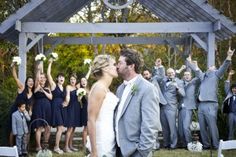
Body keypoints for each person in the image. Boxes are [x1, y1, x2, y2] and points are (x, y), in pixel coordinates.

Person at [186, 47, 234, 149]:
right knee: (202, 127)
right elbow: (196, 69)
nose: (210, 67)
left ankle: (216, 145)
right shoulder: (203, 76)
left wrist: (229, 56)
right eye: (209, 66)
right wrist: (189, 61)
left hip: (211, 104)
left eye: (212, 66)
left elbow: (224, 67)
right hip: (201, 105)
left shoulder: (216, 75)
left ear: (215, 69)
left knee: (212, 126)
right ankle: (207, 145)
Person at [115, 49, 160, 157]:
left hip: (136, 151)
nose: (117, 66)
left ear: (131, 66)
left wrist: (142, 151)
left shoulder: (148, 88)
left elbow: (151, 124)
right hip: (119, 150)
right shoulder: (120, 89)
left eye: (120, 63)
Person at [87, 54, 119, 157]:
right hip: (101, 139)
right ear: (105, 68)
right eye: (114, 64)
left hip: (108, 136)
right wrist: (94, 152)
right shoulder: (99, 88)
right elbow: (91, 120)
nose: (117, 67)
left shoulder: (105, 88)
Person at [154, 60, 185, 149]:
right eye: (168, 73)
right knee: (164, 128)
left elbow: (183, 94)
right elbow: (156, 77)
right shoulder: (163, 80)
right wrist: (157, 67)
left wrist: (177, 88)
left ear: (174, 73)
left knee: (172, 127)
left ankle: (173, 145)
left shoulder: (179, 82)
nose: (170, 74)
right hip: (162, 107)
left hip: (171, 107)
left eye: (171, 73)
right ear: (167, 74)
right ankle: (166, 144)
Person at [8, 63, 34, 146]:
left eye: (32, 81)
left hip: (25, 113)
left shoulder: (32, 93)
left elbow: (31, 104)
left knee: (26, 131)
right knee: (14, 130)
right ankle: (12, 148)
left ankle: (24, 149)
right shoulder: (22, 88)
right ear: (26, 83)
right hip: (16, 111)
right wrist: (13, 67)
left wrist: (30, 110)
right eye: (29, 81)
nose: (31, 82)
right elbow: (15, 78)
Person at [175, 66, 200, 148]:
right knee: (180, 128)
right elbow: (174, 77)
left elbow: (199, 75)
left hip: (189, 107)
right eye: (185, 75)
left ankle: (189, 144)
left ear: (191, 76)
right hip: (181, 107)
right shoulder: (181, 83)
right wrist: (180, 69)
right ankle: (183, 144)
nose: (186, 76)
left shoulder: (194, 82)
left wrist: (194, 66)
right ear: (183, 76)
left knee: (186, 127)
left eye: (188, 74)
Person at [32, 61, 52, 151]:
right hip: (39, 108)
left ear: (46, 79)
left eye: (44, 77)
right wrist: (39, 69)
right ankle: (38, 146)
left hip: (47, 108)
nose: (42, 79)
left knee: (48, 127)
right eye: (41, 77)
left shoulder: (48, 88)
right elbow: (36, 79)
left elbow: (51, 97)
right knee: (39, 127)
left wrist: (44, 90)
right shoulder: (36, 85)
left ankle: (45, 144)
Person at [47, 58, 66, 154]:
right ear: (57, 79)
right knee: (60, 127)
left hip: (61, 108)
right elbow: (48, 75)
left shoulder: (64, 87)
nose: (61, 78)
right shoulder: (54, 85)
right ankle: (56, 147)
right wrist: (50, 63)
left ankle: (56, 146)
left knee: (60, 128)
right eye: (60, 77)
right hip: (55, 107)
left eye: (63, 77)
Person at [142, 69, 163, 150]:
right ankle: (148, 144)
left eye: (147, 74)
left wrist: (158, 67)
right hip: (145, 107)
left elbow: (161, 76)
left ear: (150, 74)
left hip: (155, 106)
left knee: (155, 125)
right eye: (144, 74)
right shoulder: (141, 84)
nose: (146, 76)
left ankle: (156, 144)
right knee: (146, 125)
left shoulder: (154, 80)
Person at [62, 74, 81, 152]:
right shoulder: (68, 87)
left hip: (76, 108)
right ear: (69, 80)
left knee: (73, 129)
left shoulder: (77, 88)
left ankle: (70, 145)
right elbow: (68, 96)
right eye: (71, 79)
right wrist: (66, 101)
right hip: (70, 108)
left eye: (74, 79)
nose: (72, 81)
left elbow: (79, 100)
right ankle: (66, 147)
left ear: (76, 80)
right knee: (69, 128)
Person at [80, 65, 91, 148]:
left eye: (85, 81)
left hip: (91, 109)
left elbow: (86, 77)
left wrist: (89, 69)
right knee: (85, 128)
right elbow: (79, 100)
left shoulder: (89, 89)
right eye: (82, 81)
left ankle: (88, 144)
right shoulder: (80, 90)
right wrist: (80, 96)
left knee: (89, 128)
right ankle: (84, 145)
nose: (83, 82)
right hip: (85, 109)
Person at [222, 70, 236, 140]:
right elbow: (227, 84)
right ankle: (230, 142)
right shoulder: (229, 94)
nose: (234, 90)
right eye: (233, 88)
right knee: (231, 128)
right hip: (231, 114)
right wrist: (229, 75)